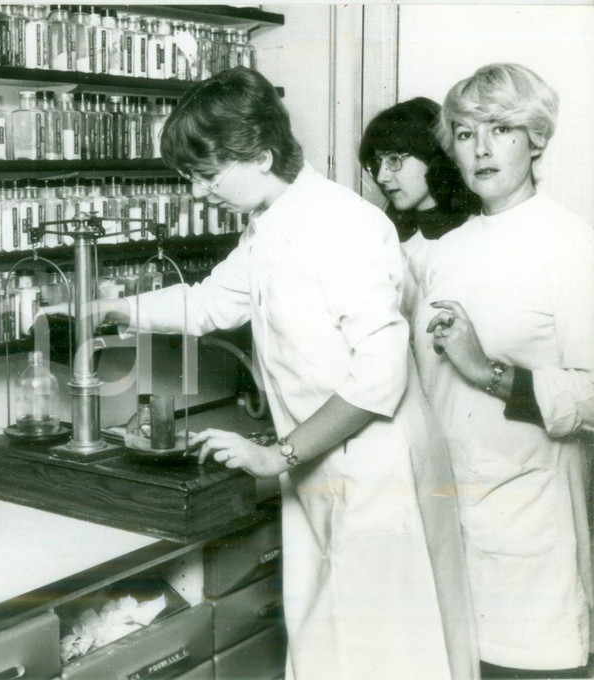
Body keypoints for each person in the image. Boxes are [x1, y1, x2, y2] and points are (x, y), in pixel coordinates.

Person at [84, 67, 478, 679]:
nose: (196, 193)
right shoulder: (270, 223)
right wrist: (108, 309)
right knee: (329, 642)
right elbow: (212, 303)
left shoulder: (342, 224)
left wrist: (282, 454)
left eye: (207, 175)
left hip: (377, 466)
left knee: (386, 653)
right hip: (325, 458)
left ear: (262, 155)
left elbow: (380, 372)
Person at [415, 63, 594, 678]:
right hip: (445, 510)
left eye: (501, 129)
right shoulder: (444, 250)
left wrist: (485, 371)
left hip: (531, 526)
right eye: (466, 133)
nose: (482, 148)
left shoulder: (571, 245)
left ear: (536, 139)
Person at [359, 97, 480, 320]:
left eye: (394, 159)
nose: (382, 176)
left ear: (432, 155)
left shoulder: (473, 235)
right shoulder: (388, 236)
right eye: (377, 163)